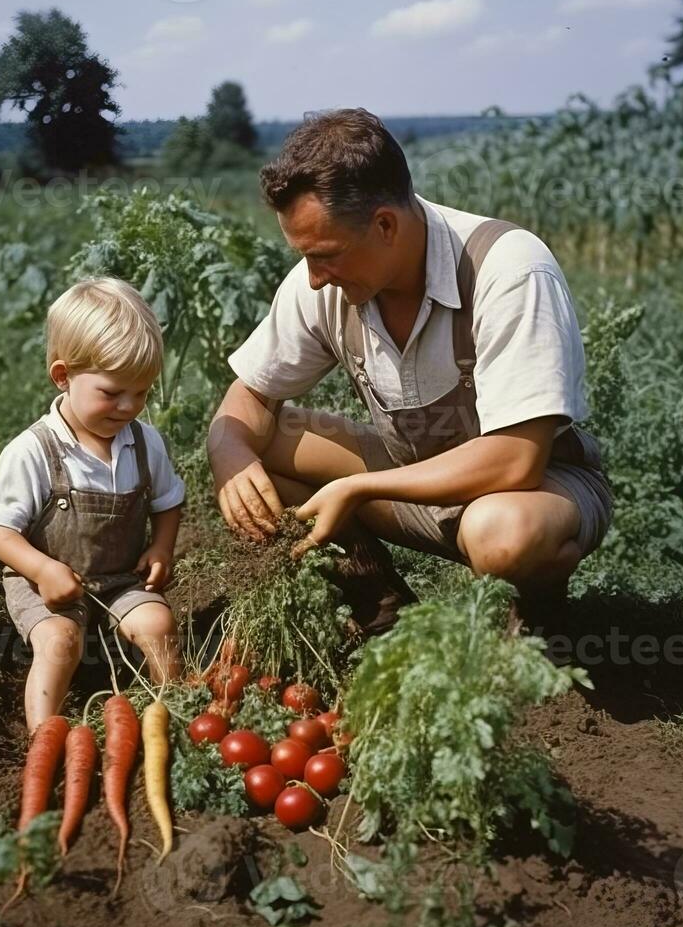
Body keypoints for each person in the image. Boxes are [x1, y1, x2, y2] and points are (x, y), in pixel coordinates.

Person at [207, 108, 613, 632]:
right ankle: (380, 604)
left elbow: (518, 460)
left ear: (385, 225)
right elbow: (250, 397)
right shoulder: (327, 281)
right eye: (304, 256)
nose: (312, 279)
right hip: (412, 480)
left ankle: (535, 608)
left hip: (536, 490)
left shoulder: (507, 268)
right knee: (262, 439)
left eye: (325, 256)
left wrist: (359, 489)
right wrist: (229, 455)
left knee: (502, 534)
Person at [0, 277, 185, 732]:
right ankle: (43, 735)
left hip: (118, 580)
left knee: (158, 624)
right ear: (63, 376)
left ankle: (177, 708)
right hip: (45, 584)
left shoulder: (146, 444)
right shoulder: (34, 451)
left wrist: (162, 548)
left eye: (142, 392)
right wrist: (41, 569)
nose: (129, 406)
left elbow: (169, 501)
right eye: (111, 393)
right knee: (60, 641)